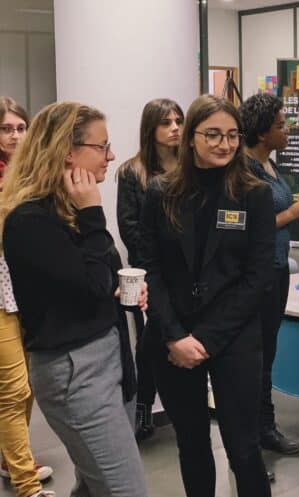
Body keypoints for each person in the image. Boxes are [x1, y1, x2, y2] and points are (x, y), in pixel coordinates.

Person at [0, 101, 150, 497]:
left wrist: (117, 294)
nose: (111, 155)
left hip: (104, 359)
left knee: (91, 495)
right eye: (102, 146)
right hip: (76, 374)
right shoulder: (29, 220)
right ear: (69, 151)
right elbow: (87, 285)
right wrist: (93, 215)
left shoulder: (66, 211)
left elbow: (92, 286)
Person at [140, 94, 275, 497]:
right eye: (213, 134)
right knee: (192, 445)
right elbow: (150, 270)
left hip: (233, 336)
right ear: (191, 138)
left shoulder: (254, 194)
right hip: (173, 335)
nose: (224, 144)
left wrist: (207, 339)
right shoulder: (161, 193)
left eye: (232, 135)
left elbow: (258, 278)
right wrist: (176, 336)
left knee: (244, 448)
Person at [239, 93, 299, 456]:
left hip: (277, 269)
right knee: (255, 355)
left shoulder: (269, 165)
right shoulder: (243, 170)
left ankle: (264, 426)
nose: (287, 131)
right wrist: (292, 214)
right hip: (258, 273)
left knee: (268, 351)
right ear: (260, 133)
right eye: (281, 126)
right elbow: (245, 227)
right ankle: (253, 434)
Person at [0, 97, 60, 497]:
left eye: (21, 128)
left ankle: (10, 460)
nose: (15, 136)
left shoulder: (29, 173)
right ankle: (28, 490)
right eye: (6, 129)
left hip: (25, 288)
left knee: (29, 387)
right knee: (12, 388)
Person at [117, 97, 184, 441]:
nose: (174, 128)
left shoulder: (191, 167)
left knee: (181, 338)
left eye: (178, 121)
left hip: (188, 275)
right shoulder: (132, 172)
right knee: (150, 341)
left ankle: (181, 405)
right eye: (166, 122)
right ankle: (144, 405)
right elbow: (129, 228)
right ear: (151, 129)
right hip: (149, 275)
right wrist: (154, 268)